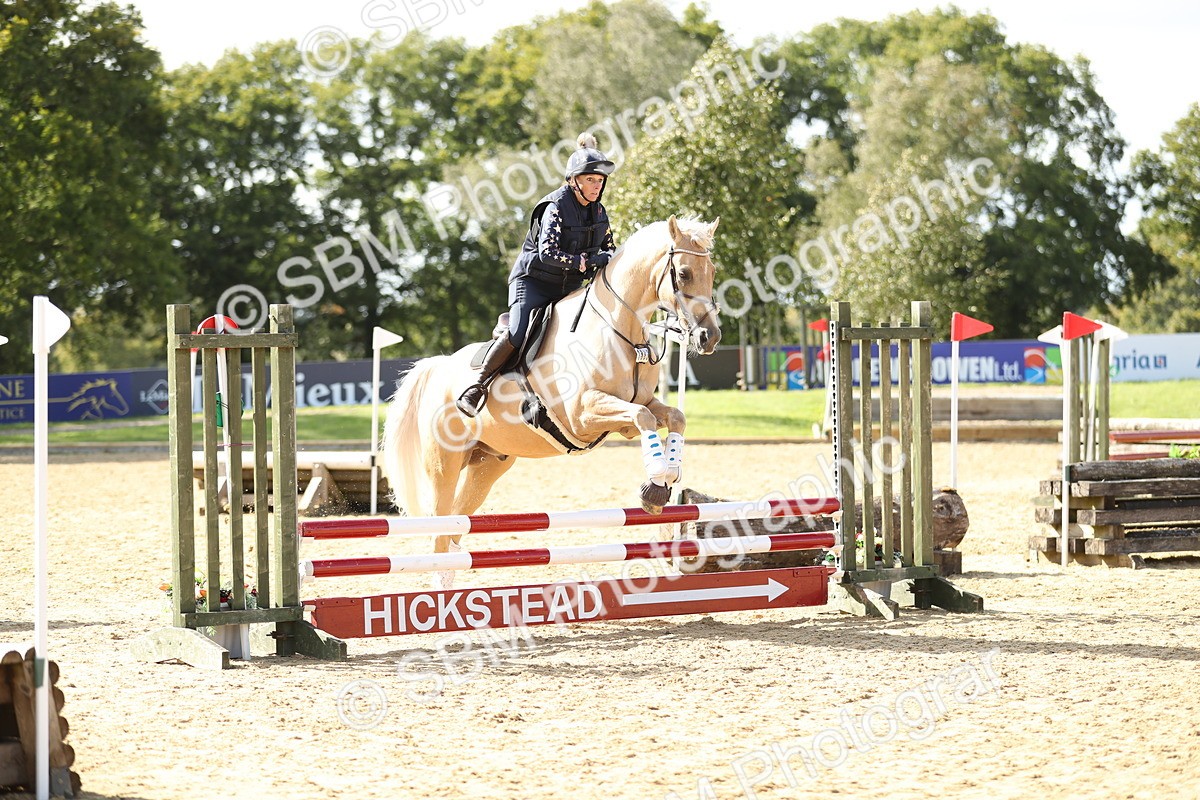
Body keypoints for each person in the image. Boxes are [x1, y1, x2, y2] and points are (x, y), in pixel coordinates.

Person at [456, 133, 618, 417]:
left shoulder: (599, 212)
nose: (597, 185)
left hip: (568, 287)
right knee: (518, 332)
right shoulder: (555, 207)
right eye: (591, 179)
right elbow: (548, 253)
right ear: (574, 181)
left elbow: (610, 248)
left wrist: (605, 260)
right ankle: (477, 386)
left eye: (600, 180)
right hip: (533, 283)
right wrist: (585, 261)